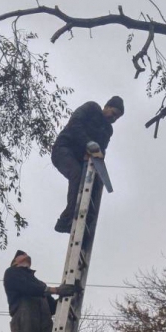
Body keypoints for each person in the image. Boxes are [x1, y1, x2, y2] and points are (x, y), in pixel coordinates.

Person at [51, 96, 124, 233]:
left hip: (80, 159)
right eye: (113, 113)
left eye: (117, 118)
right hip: (63, 149)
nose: (113, 118)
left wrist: (99, 156)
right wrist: (87, 142)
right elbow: (75, 123)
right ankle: (65, 221)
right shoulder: (92, 108)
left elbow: (101, 149)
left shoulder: (108, 130)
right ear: (106, 107)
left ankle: (87, 218)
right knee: (77, 176)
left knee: (96, 184)